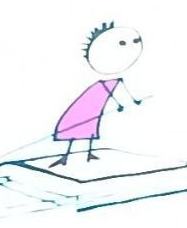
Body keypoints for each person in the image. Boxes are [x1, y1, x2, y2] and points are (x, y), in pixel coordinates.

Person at [50, 23, 145, 167]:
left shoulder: (113, 80)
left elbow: (117, 91)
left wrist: (130, 101)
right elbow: (111, 92)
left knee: (90, 127)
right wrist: (122, 104)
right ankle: (67, 155)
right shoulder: (102, 83)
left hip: (94, 109)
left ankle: (87, 153)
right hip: (86, 109)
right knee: (79, 127)